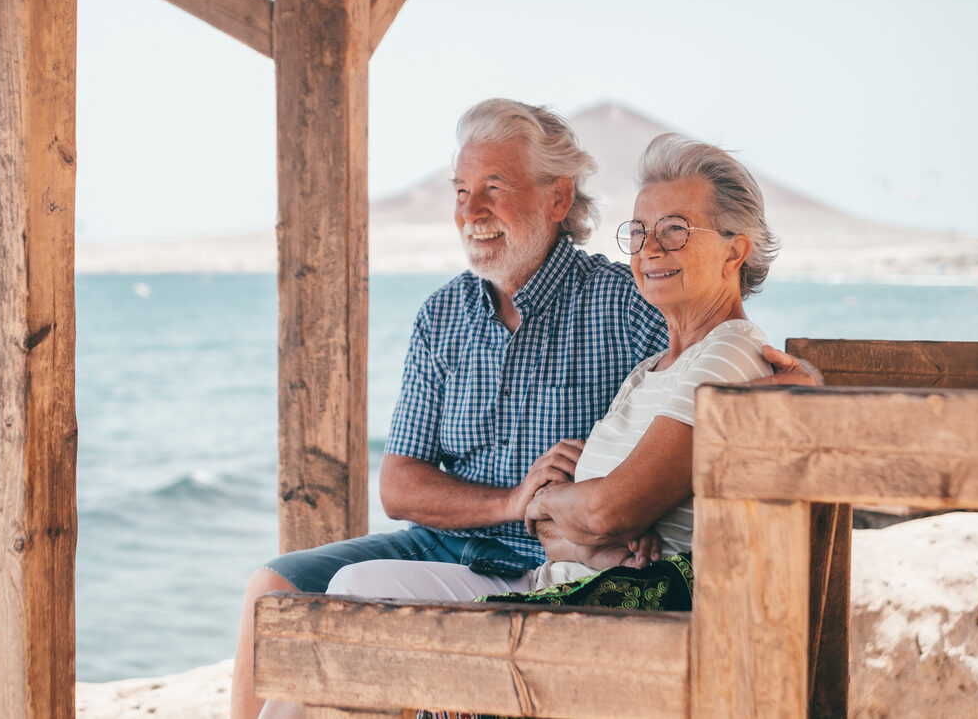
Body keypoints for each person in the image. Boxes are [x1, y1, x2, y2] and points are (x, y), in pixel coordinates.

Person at [231, 102, 814, 719]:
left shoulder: (631, 300)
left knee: (344, 631)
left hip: (556, 567)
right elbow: (399, 485)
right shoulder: (443, 316)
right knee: (273, 590)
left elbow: (714, 353)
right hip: (459, 546)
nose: (471, 211)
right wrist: (521, 500)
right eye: (461, 191)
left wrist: (801, 392)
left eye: (494, 188)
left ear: (558, 199)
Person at [325, 133, 780, 611]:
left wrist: (545, 502)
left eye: (675, 229)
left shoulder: (723, 353)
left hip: (598, 609)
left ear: (734, 253)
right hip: (563, 583)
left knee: (348, 599)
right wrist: (571, 528)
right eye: (640, 231)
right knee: (342, 588)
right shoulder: (653, 369)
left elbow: (610, 509)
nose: (649, 249)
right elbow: (570, 528)